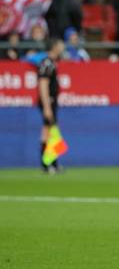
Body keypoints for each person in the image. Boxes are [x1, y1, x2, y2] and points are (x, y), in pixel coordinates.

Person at [38, 38, 65, 174]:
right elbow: (43, 85)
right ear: (54, 46)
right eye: (60, 44)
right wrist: (46, 107)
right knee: (48, 132)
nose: (62, 46)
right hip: (48, 102)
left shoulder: (52, 63)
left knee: (53, 132)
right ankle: (47, 165)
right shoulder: (46, 63)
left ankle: (52, 164)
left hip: (52, 102)